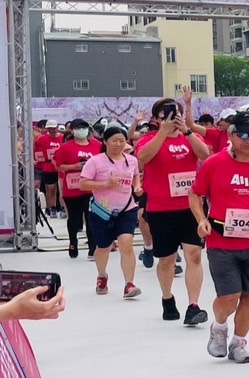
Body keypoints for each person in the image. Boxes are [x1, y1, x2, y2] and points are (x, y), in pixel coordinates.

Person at [189, 113, 249, 365]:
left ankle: (239, 342)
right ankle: (219, 327)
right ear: (230, 135)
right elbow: (195, 194)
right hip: (222, 241)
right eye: (243, 134)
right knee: (229, 297)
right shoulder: (214, 163)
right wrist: (201, 219)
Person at [136, 96, 212, 325]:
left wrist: (187, 131)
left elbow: (205, 155)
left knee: (194, 255)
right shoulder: (148, 139)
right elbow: (142, 159)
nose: (171, 119)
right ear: (157, 119)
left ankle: (193, 305)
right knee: (167, 260)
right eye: (165, 116)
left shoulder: (190, 137)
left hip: (191, 207)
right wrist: (162, 133)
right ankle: (167, 298)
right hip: (161, 208)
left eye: (175, 114)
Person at [79, 125, 143, 300]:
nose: (118, 144)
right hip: (102, 211)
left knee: (126, 244)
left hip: (126, 208)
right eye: (114, 141)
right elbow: (83, 184)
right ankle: (102, 276)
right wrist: (105, 184)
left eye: (122, 141)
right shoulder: (95, 161)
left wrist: (137, 187)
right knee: (103, 248)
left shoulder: (132, 160)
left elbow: (136, 176)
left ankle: (129, 284)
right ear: (105, 141)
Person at [53, 118, 100, 259]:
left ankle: (93, 247)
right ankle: (73, 241)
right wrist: (74, 167)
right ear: (72, 131)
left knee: (91, 217)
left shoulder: (97, 146)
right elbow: (59, 166)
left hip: (91, 188)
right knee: (74, 219)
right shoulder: (65, 147)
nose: (81, 130)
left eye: (84, 127)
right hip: (73, 188)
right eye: (78, 128)